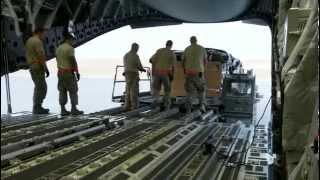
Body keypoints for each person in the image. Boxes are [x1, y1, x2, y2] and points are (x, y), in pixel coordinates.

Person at [55, 32, 83, 115]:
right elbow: (73, 61)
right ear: (68, 39)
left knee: (62, 90)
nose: (73, 42)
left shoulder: (58, 48)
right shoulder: (70, 48)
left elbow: (57, 59)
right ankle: (74, 109)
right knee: (73, 91)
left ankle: (63, 110)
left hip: (60, 73)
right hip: (68, 73)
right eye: (72, 40)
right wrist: (77, 72)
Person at [25, 27, 50, 114]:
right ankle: (37, 107)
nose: (44, 35)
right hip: (37, 67)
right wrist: (46, 68)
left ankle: (37, 106)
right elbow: (40, 55)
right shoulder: (37, 41)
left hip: (32, 66)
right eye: (43, 33)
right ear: (39, 32)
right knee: (42, 88)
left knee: (38, 87)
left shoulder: (29, 40)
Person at [182, 36, 207, 113]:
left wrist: (185, 70)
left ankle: (188, 108)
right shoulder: (202, 49)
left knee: (190, 92)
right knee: (201, 90)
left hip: (189, 73)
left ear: (190, 41)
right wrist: (203, 69)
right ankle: (201, 106)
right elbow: (205, 61)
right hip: (198, 73)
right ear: (196, 40)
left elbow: (182, 61)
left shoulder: (186, 49)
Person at [150, 40, 176, 110]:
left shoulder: (159, 51)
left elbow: (151, 60)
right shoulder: (171, 53)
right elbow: (174, 66)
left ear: (166, 44)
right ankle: (166, 106)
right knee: (167, 90)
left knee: (156, 90)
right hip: (165, 74)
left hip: (157, 74)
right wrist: (172, 75)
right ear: (171, 45)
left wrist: (153, 71)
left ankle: (156, 104)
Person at [123, 43, 146, 110]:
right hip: (134, 74)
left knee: (128, 90)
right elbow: (139, 65)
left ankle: (126, 106)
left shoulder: (126, 55)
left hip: (127, 74)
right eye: (137, 48)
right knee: (134, 91)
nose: (137, 50)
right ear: (135, 48)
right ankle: (134, 107)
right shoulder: (135, 55)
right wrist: (142, 69)